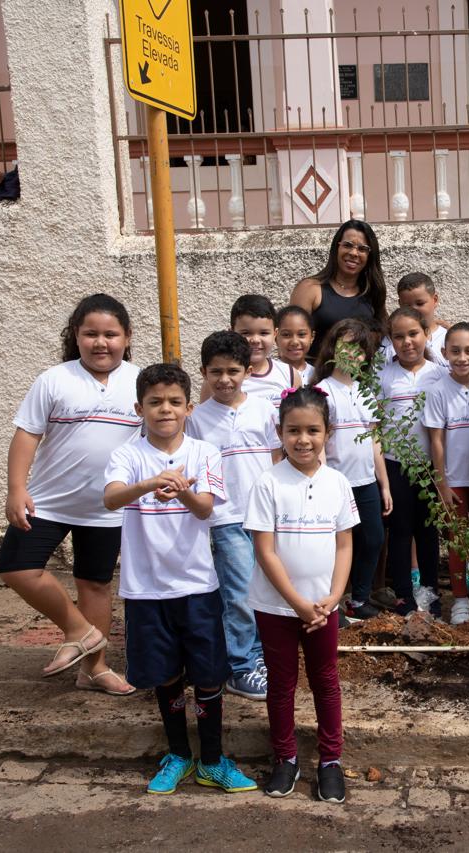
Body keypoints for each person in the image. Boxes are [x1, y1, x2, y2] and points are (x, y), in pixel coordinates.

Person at [103, 362, 257, 795]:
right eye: (154, 402)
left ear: (190, 407)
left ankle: (212, 760)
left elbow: (207, 508)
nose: (164, 410)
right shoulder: (127, 455)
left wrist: (183, 490)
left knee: (209, 675)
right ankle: (178, 754)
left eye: (174, 402)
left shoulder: (203, 452)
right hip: (146, 588)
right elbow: (111, 497)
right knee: (165, 673)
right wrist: (149, 483)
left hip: (197, 586)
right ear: (140, 408)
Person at [0, 293, 139, 697]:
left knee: (94, 584)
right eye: (90, 333)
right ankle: (78, 630)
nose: (100, 342)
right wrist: (16, 488)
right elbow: (27, 434)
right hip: (48, 501)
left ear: (127, 337)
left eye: (110, 334)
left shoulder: (139, 380)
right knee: (16, 567)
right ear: (75, 336)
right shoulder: (55, 379)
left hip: (108, 507)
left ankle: (94, 669)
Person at [246, 387, 358, 803]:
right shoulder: (267, 483)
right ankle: (285, 757)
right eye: (294, 430)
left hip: (323, 607)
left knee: (326, 680)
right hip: (276, 605)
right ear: (280, 432)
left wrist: (333, 597)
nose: (303, 439)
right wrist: (296, 602)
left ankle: (330, 760)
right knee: (281, 682)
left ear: (327, 432)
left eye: (313, 430)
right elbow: (265, 550)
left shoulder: (337, 483)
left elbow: (344, 545)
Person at [185, 331, 279, 702]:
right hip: (224, 518)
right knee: (238, 593)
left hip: (264, 517)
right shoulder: (197, 420)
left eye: (233, 371)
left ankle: (259, 655)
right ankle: (241, 666)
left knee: (264, 588)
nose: (225, 379)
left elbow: (275, 459)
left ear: (248, 370)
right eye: (216, 372)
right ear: (204, 372)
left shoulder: (265, 410)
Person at [314, 319, 391, 618]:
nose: (354, 355)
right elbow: (319, 443)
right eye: (347, 346)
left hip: (365, 482)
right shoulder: (322, 392)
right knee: (336, 545)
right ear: (333, 347)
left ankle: (358, 599)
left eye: (360, 350)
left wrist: (383, 484)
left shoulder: (365, 392)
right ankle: (331, 603)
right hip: (335, 484)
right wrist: (321, 482)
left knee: (373, 538)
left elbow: (375, 441)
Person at [378, 307, 447, 616]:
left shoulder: (439, 373)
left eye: (413, 334)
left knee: (428, 531)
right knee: (401, 531)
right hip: (396, 464)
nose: (407, 342)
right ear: (391, 340)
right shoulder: (383, 375)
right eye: (399, 336)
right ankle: (404, 594)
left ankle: (430, 592)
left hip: (430, 466)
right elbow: (376, 424)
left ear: (425, 335)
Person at [424, 322, 469, 626]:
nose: (462, 357)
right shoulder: (438, 391)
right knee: (457, 542)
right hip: (454, 482)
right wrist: (442, 482)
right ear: (444, 353)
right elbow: (436, 440)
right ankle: (461, 600)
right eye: (455, 351)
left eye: (468, 350)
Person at [291, 220, 386, 360]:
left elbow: (383, 332)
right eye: (347, 245)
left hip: (358, 377)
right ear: (336, 248)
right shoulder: (311, 289)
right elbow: (291, 337)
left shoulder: (372, 292)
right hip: (315, 375)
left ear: (369, 255)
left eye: (362, 248)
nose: (354, 253)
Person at [228, 294, 291, 410]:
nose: (255, 340)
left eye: (263, 333)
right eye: (246, 333)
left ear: (275, 334)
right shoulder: (222, 378)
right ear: (231, 332)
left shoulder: (289, 374)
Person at [380, 272, 450, 367]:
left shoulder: (449, 339)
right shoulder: (390, 342)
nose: (413, 309)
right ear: (400, 304)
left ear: (435, 300)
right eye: (407, 305)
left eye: (420, 303)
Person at [275, 304, 315, 387]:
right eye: (286, 335)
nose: (294, 342)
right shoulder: (271, 373)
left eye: (301, 334)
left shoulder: (317, 376)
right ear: (275, 337)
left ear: (312, 337)